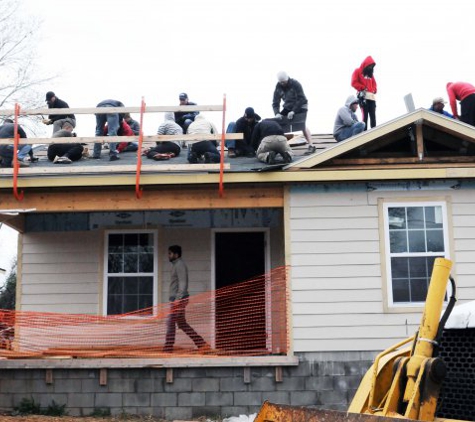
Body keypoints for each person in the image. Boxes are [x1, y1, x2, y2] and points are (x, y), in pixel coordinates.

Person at [163, 245, 207, 353]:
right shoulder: (176, 265)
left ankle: (168, 348)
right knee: (182, 324)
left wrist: (178, 299)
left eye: (170, 253)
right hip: (178, 299)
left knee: (170, 322)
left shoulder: (180, 265)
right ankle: (201, 343)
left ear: (176, 254)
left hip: (179, 300)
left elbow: (183, 283)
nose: (168, 255)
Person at [272, 71, 313, 153]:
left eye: (284, 82)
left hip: (301, 105)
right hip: (288, 106)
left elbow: (301, 98)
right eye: (281, 82)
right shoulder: (278, 86)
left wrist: (294, 111)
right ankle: (281, 147)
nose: (283, 84)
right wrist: (277, 113)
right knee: (279, 124)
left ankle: (311, 145)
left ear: (287, 79)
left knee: (301, 124)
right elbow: (275, 102)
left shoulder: (295, 84)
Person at [351, 56, 377, 130]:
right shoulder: (357, 71)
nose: (371, 67)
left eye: (372, 66)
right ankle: (365, 133)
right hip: (363, 97)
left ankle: (374, 133)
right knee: (365, 116)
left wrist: (374, 89)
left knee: (373, 116)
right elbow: (354, 82)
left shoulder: (370, 75)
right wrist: (362, 87)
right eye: (370, 66)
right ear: (366, 65)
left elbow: (375, 84)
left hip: (371, 97)